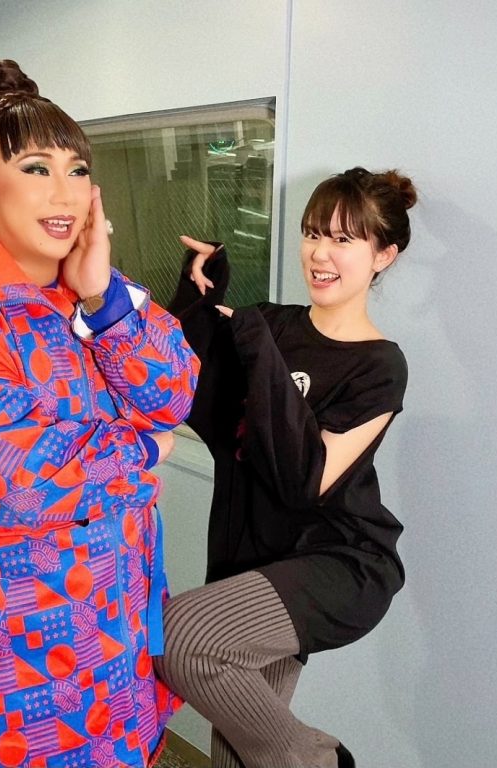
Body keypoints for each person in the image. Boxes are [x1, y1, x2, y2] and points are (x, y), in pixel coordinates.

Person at [0, 59, 198, 768]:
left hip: (119, 625)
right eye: (34, 168)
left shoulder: (101, 294)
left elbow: (174, 394)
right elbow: (20, 482)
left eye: (78, 170)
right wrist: (144, 450)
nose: (64, 192)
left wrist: (104, 301)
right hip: (13, 650)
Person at [155, 167, 416, 768]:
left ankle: (320, 761)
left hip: (336, 561)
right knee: (240, 756)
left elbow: (305, 480)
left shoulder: (380, 366)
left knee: (182, 637)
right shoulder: (270, 324)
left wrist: (254, 342)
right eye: (313, 233)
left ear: (384, 256)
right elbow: (191, 398)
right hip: (253, 554)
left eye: (344, 239)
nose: (320, 254)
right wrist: (198, 299)